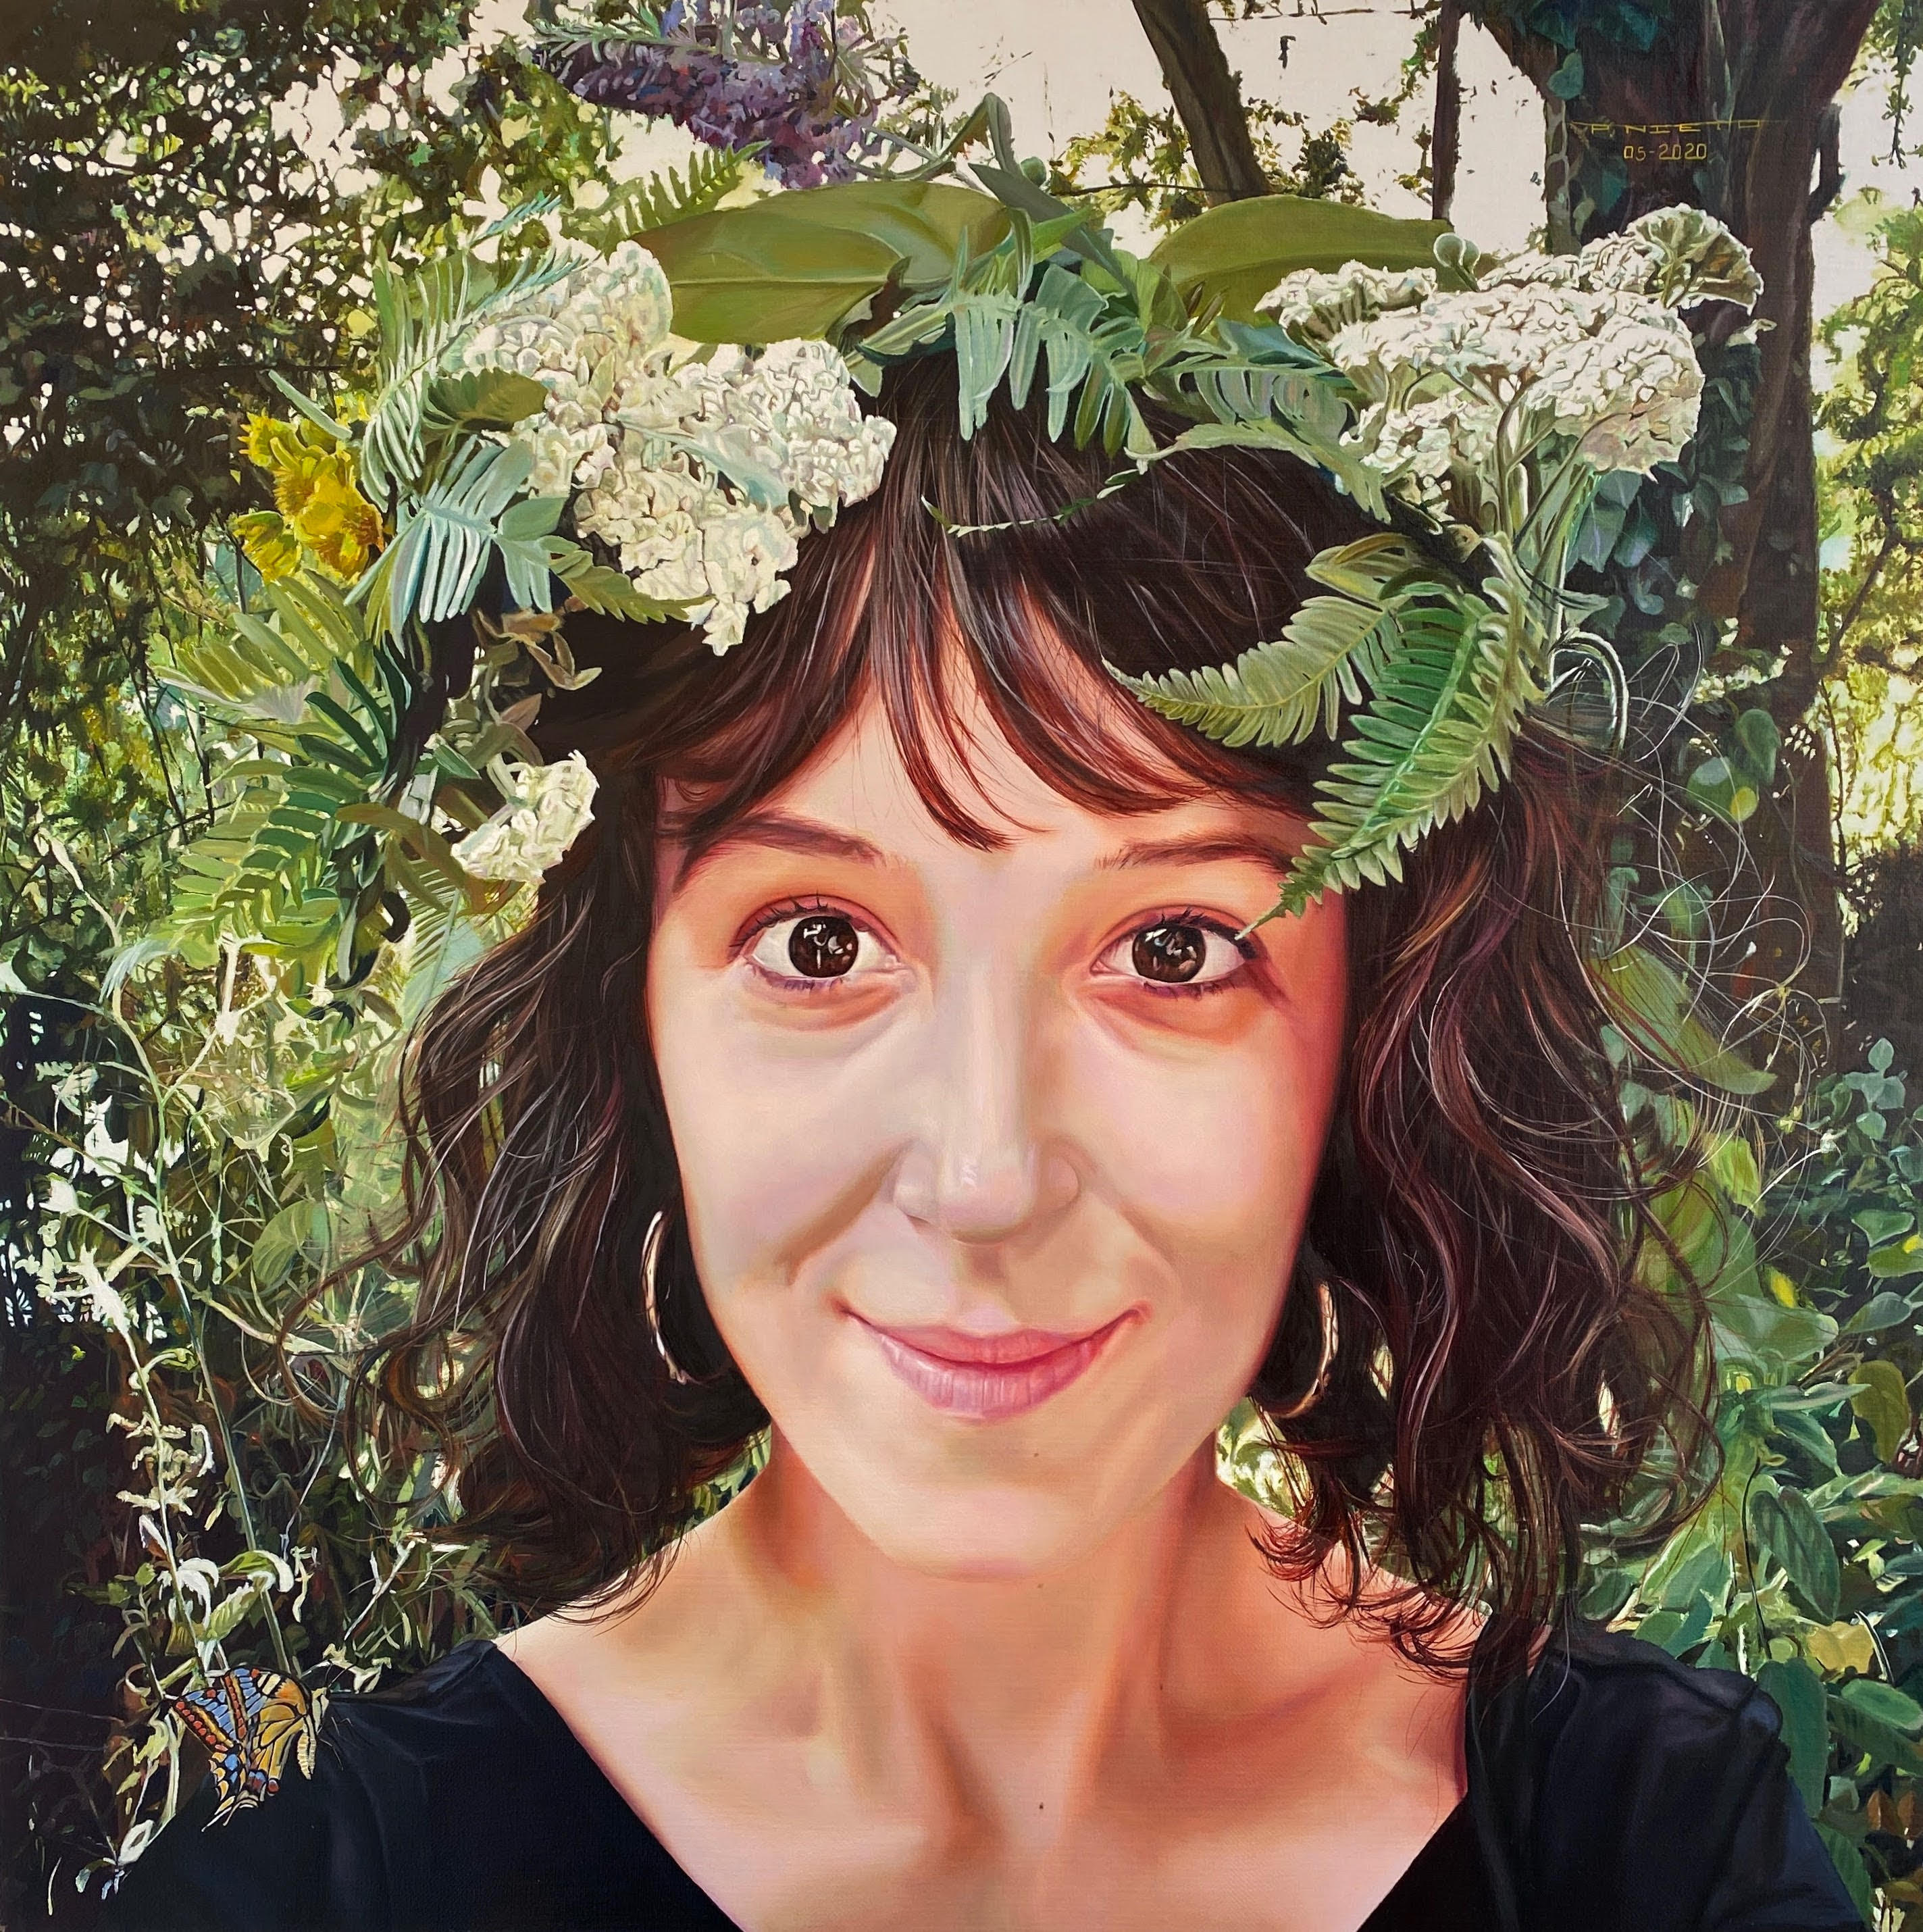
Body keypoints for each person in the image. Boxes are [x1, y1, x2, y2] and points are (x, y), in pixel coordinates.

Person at [103, 180, 1862, 1931]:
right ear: (631, 1017)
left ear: (1372, 1031)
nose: (986, 1174)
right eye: (819, 943)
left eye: (1171, 950)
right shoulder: (314, 1891)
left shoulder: (1655, 1853)